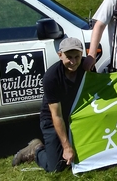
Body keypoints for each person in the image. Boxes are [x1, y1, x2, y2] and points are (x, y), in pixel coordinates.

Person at [12, 37, 86, 171]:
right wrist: (66, 147)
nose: (73, 61)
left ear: (82, 54)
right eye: (69, 57)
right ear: (60, 55)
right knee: (56, 167)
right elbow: (56, 115)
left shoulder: (86, 67)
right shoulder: (51, 77)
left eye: (77, 57)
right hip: (52, 120)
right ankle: (37, 149)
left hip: (72, 116)